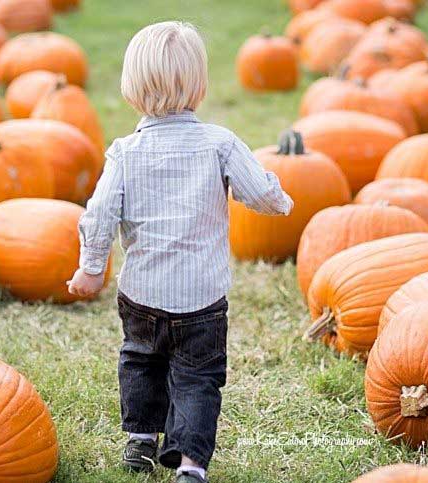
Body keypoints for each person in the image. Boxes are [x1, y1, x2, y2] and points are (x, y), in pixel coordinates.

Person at [67, 20, 293, 483]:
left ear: (131, 87)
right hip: (202, 302)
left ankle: (141, 440)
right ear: (200, 85)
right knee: (198, 378)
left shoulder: (125, 152)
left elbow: (100, 212)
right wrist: (280, 198)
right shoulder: (220, 143)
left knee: (140, 361)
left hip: (142, 295)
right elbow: (261, 195)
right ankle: (190, 465)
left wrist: (91, 268)